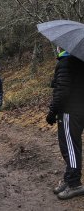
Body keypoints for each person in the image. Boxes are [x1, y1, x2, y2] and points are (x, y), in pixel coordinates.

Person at [46, 46, 84, 200]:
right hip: (79, 111)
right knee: (72, 145)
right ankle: (69, 179)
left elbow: (62, 91)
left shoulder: (66, 62)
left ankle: (75, 184)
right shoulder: (80, 61)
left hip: (69, 111)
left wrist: (52, 112)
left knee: (70, 148)